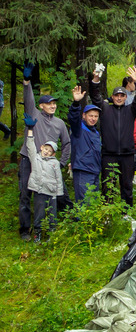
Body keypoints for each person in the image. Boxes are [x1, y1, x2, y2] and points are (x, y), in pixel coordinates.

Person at [18, 71, 70, 240]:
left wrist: (62, 163)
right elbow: (29, 100)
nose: (53, 106)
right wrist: (27, 82)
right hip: (29, 159)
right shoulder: (34, 115)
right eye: (49, 104)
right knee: (25, 193)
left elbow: (67, 143)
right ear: (41, 106)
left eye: (54, 103)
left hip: (49, 164)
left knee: (56, 194)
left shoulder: (59, 123)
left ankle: (55, 224)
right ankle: (25, 229)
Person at [89, 66, 136, 206]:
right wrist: (95, 80)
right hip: (109, 154)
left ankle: (126, 212)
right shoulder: (105, 109)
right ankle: (107, 214)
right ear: (113, 97)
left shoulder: (131, 110)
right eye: (117, 96)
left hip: (127, 155)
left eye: (122, 96)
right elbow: (95, 96)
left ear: (125, 97)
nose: (119, 98)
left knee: (127, 186)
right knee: (108, 186)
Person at [24, 126, 64, 243]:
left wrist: (58, 193)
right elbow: (30, 147)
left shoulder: (55, 163)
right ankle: (37, 234)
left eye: (50, 151)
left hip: (51, 192)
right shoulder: (35, 158)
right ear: (42, 147)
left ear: (53, 154)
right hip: (39, 191)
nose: (47, 152)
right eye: (46, 149)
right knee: (39, 213)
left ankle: (52, 234)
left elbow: (59, 178)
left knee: (52, 214)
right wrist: (30, 131)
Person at [66, 85, 102, 206]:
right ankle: (79, 223)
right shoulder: (78, 128)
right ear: (84, 116)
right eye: (90, 115)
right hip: (83, 171)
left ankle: (90, 225)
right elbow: (73, 118)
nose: (93, 119)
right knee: (84, 204)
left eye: (96, 116)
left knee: (93, 204)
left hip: (95, 171)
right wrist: (76, 103)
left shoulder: (96, 132)